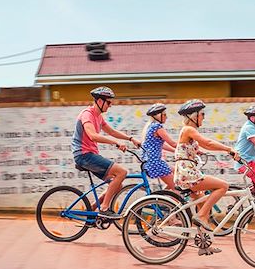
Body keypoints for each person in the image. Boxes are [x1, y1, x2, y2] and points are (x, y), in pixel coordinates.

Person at [173, 99, 241, 252]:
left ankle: (203, 244)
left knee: (203, 205)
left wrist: (200, 151)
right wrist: (228, 149)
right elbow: (207, 142)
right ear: (193, 116)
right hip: (187, 173)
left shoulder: (189, 131)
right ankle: (201, 216)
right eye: (202, 114)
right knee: (223, 186)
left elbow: (196, 147)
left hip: (188, 171)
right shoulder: (188, 129)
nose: (204, 117)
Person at [71, 86, 141, 219]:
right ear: (99, 101)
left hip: (90, 155)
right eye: (108, 102)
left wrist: (131, 139)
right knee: (122, 172)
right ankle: (104, 208)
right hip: (83, 155)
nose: (110, 106)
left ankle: (92, 209)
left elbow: (112, 132)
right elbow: (92, 135)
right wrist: (115, 143)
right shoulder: (87, 114)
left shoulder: (98, 117)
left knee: (118, 184)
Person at [140, 103, 177, 190]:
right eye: (164, 115)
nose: (166, 117)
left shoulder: (150, 126)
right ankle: (173, 201)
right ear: (158, 116)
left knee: (177, 173)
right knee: (177, 188)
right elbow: (173, 143)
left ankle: (162, 199)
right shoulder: (157, 127)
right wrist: (189, 149)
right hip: (155, 163)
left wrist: (174, 151)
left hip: (149, 162)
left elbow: (160, 144)